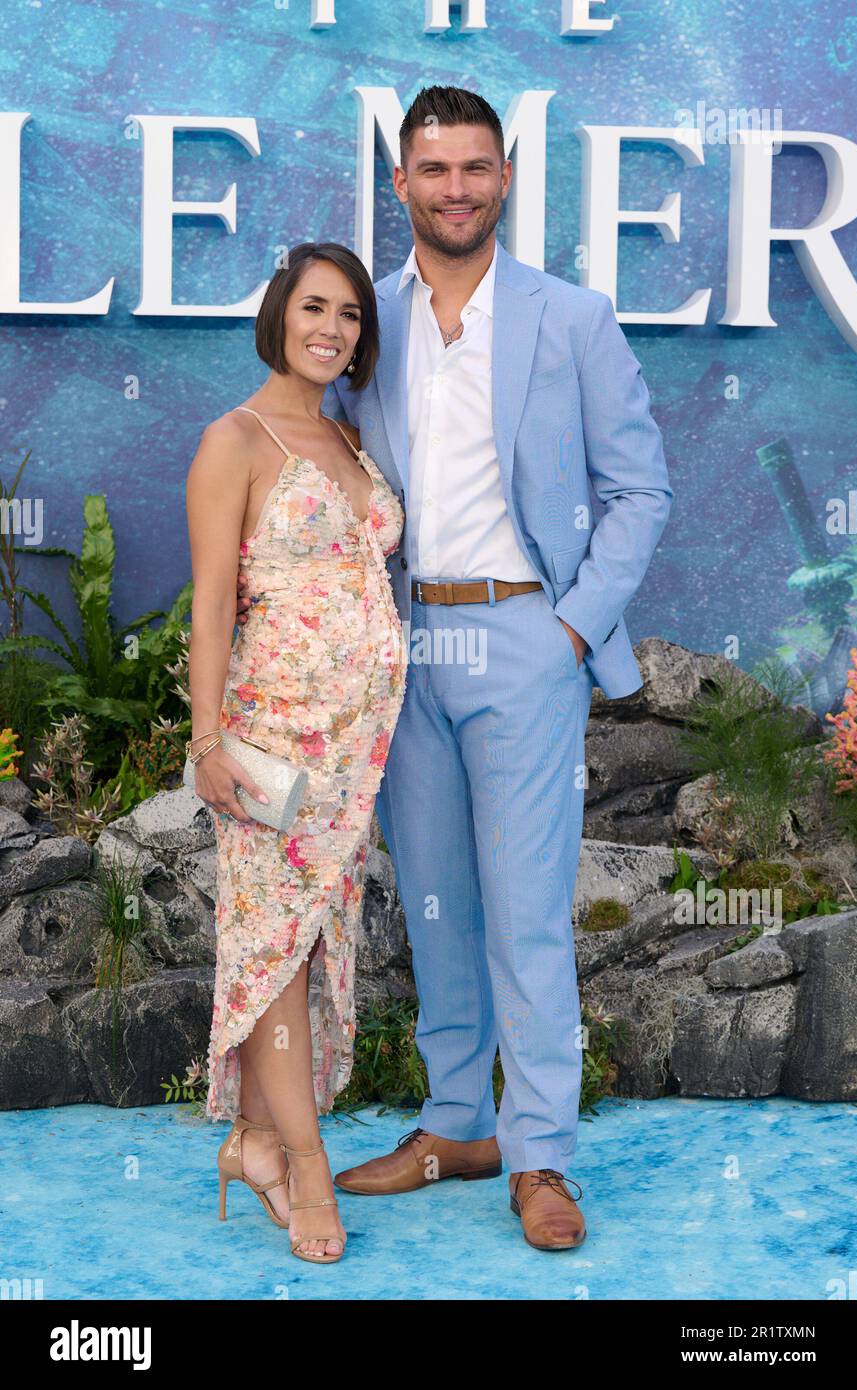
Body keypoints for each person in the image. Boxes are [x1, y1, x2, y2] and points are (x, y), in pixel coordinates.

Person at [235, 86, 673, 1251]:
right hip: (400, 650)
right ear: (401, 185)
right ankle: (452, 1124)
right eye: (433, 171)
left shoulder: (572, 318)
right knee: (433, 904)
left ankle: (538, 1157)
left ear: (505, 177)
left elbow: (640, 488)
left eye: (476, 168)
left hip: (524, 639)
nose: (456, 188)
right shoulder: (363, 324)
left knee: (526, 915)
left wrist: (572, 629)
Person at [186, 242, 408, 1264]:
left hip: (352, 757)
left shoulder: (348, 440)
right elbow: (212, 610)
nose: (332, 328)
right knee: (273, 954)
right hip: (272, 745)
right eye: (315, 307)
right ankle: (306, 1170)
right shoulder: (233, 440)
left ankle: (256, 1142)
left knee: (312, 944)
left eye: (351, 316)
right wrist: (206, 742)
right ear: (279, 313)